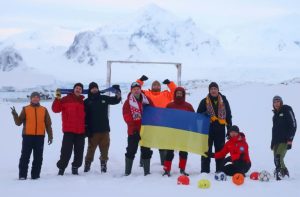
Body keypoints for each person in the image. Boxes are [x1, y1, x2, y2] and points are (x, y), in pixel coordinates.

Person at [11, 92, 53, 180]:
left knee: (38, 157)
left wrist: (50, 136)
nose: (35, 98)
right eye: (34, 97)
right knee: (25, 156)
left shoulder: (44, 109)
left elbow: (48, 125)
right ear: (31, 98)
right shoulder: (26, 109)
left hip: (40, 137)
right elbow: (18, 123)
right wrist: (15, 115)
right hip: (27, 137)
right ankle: (22, 175)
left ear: (39, 99)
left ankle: (35, 175)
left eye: (37, 97)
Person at [137, 75, 177, 165]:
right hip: (149, 122)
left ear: (160, 87)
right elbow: (136, 90)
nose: (156, 86)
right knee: (146, 143)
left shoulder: (166, 94)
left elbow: (176, 92)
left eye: (158, 85)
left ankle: (163, 162)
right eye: (154, 85)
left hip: (163, 123)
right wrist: (140, 80)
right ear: (151, 87)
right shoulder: (146, 94)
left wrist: (170, 84)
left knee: (162, 143)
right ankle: (143, 162)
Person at [84, 82, 121, 173]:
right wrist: (86, 128)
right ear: (90, 90)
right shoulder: (86, 102)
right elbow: (83, 116)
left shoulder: (103, 98)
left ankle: (103, 165)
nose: (94, 89)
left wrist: (118, 92)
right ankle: (87, 165)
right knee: (91, 149)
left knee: (105, 149)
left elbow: (115, 100)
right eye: (92, 88)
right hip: (93, 131)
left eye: (96, 87)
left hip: (104, 130)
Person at [197, 82, 232, 173]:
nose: (213, 90)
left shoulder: (224, 101)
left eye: (215, 89)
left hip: (220, 129)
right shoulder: (204, 101)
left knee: (220, 150)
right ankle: (205, 171)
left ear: (218, 90)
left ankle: (219, 170)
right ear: (209, 90)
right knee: (206, 150)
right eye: (211, 89)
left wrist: (229, 129)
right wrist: (204, 114)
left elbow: (228, 115)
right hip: (207, 129)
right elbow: (198, 116)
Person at [52, 83, 85, 175]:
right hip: (68, 131)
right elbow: (55, 109)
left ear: (82, 91)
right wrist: (58, 97)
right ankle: (61, 169)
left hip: (80, 131)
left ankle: (75, 167)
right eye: (77, 88)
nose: (78, 90)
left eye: (80, 89)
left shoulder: (83, 101)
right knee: (66, 152)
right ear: (73, 89)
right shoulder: (65, 99)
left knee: (79, 152)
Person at [122, 82, 153, 176]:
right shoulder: (128, 102)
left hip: (146, 130)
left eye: (137, 88)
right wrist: (134, 129)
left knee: (146, 151)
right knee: (131, 150)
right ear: (131, 90)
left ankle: (147, 172)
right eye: (134, 89)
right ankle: (127, 172)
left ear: (140, 89)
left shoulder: (147, 100)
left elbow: (153, 111)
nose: (136, 90)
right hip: (133, 131)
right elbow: (127, 116)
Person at [162, 87, 195, 177]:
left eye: (181, 93)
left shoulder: (188, 106)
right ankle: (166, 170)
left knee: (183, 152)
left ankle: (182, 169)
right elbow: (165, 117)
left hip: (184, 132)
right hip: (172, 132)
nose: (179, 94)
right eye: (178, 93)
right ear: (175, 94)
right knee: (169, 152)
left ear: (183, 94)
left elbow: (193, 118)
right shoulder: (170, 105)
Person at [271, 96, 297, 180]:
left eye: (278, 101)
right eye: (274, 102)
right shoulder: (275, 116)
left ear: (281, 102)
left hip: (285, 140)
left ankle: (282, 175)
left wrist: (290, 139)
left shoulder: (287, 109)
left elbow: (293, 124)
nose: (276, 103)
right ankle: (283, 173)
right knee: (276, 160)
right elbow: (274, 130)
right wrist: (272, 143)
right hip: (276, 141)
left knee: (279, 157)